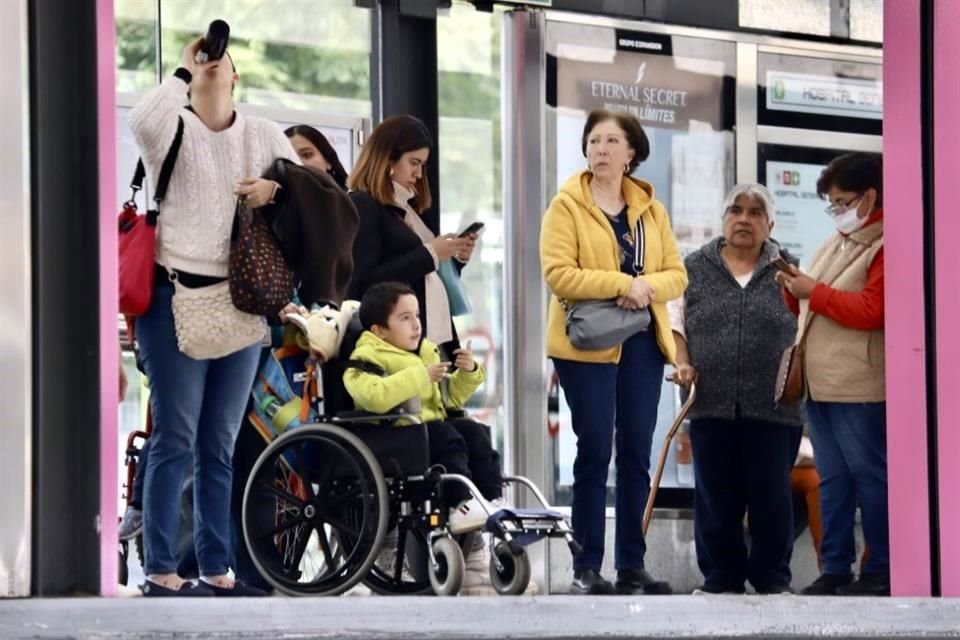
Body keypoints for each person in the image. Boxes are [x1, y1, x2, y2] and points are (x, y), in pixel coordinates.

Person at [129, 35, 298, 597]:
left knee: (219, 444)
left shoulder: (263, 134)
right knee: (174, 437)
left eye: (218, 60)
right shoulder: (171, 127)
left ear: (236, 77)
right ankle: (160, 569)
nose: (209, 63)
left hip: (241, 302)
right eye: (202, 61)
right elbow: (142, 120)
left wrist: (275, 190)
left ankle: (216, 569)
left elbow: (314, 193)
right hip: (171, 298)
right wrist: (183, 66)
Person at [540, 109, 687, 595]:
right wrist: (623, 283)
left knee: (636, 453)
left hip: (642, 343)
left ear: (631, 154)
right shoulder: (566, 206)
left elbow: (676, 275)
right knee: (595, 447)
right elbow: (559, 273)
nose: (600, 149)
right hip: (586, 344)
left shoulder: (652, 211)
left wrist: (643, 288)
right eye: (593, 141)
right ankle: (586, 565)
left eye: (610, 141)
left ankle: (631, 563)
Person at [668, 183, 803, 595]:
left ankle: (772, 580)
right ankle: (721, 579)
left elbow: (808, 328)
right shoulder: (693, 267)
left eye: (755, 212)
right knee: (715, 498)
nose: (744, 218)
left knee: (772, 500)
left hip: (774, 408)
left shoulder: (790, 271)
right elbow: (675, 323)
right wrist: (683, 361)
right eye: (736, 210)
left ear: (770, 223)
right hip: (711, 403)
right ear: (724, 219)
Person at [777, 152, 888, 596]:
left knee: (870, 477)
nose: (837, 212)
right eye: (833, 204)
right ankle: (836, 567)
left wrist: (813, 292)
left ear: (870, 197)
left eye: (842, 202)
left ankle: (881, 567)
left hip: (859, 384)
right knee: (833, 480)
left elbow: (872, 309)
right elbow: (811, 301)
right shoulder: (834, 242)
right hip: (820, 384)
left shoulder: (886, 243)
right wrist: (791, 289)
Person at [343, 282, 505, 533]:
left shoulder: (423, 353)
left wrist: (469, 372)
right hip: (391, 436)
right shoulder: (367, 356)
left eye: (417, 315)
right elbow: (373, 396)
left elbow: (448, 399)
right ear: (380, 330)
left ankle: (491, 500)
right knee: (446, 436)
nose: (416, 324)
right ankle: (462, 504)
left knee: (474, 432)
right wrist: (421, 375)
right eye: (405, 318)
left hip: (423, 431)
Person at [346, 115, 477, 351]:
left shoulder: (409, 208)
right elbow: (364, 283)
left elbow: (425, 276)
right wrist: (430, 254)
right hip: (398, 344)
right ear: (387, 159)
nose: (418, 173)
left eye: (422, 165)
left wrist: (455, 259)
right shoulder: (364, 205)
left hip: (432, 335)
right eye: (413, 162)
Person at [285, 124, 349, 190]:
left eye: (307, 155)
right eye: (290, 157)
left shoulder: (352, 199)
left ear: (328, 160)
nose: (298, 163)